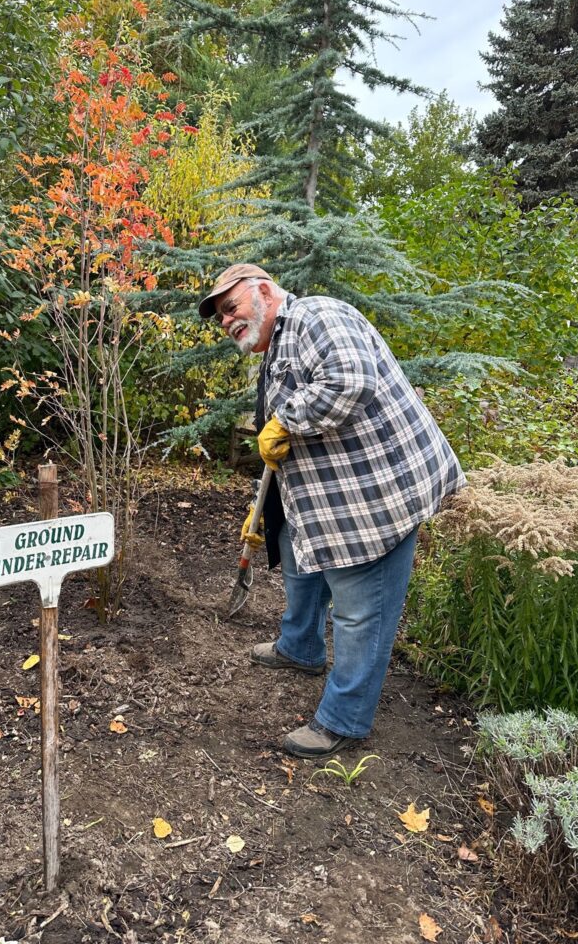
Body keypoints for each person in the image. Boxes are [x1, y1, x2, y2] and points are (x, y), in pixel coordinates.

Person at [198, 264, 466, 759]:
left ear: (263, 291)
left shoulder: (315, 315)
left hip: (374, 498)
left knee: (361, 612)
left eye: (230, 306)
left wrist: (285, 421)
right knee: (296, 558)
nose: (226, 321)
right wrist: (266, 508)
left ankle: (344, 719)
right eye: (219, 317)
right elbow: (287, 434)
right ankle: (300, 648)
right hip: (327, 497)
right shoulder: (280, 344)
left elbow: (350, 381)